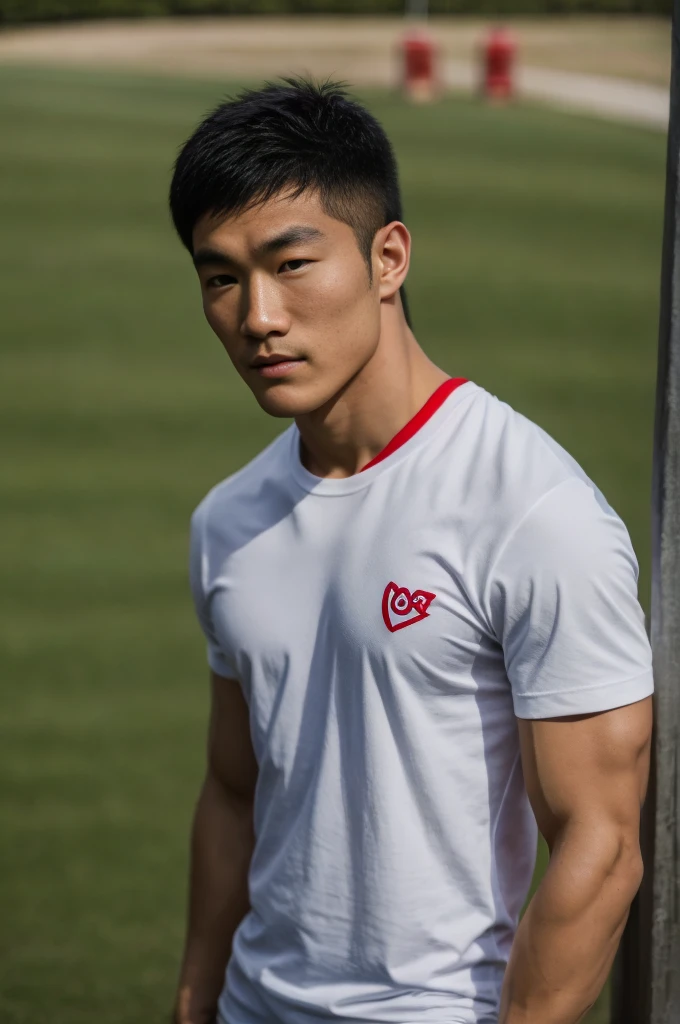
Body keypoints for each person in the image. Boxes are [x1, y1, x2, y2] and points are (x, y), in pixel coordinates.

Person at [169, 79, 653, 1024]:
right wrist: (195, 1003)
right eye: (221, 277)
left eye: (291, 264)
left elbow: (600, 845)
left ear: (388, 257)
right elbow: (233, 795)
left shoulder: (533, 509)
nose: (257, 316)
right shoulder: (228, 520)